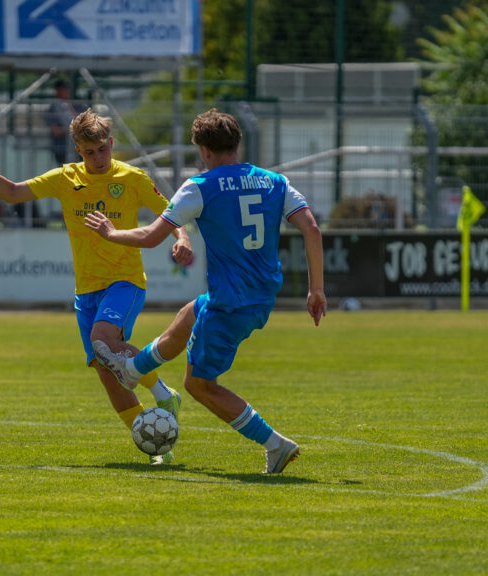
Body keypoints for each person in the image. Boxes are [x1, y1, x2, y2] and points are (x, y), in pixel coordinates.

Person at [85, 108, 326, 475]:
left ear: (204, 150)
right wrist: (316, 289)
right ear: (237, 143)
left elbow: (151, 237)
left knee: (199, 384)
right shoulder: (274, 181)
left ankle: (275, 444)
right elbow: (311, 228)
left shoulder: (201, 187)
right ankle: (133, 369)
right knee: (192, 313)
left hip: (231, 304)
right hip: (260, 298)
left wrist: (110, 233)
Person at [0, 108, 194, 465]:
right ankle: (158, 448)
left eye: (102, 149)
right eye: (89, 152)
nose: (97, 158)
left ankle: (163, 393)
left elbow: (170, 213)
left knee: (103, 340)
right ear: (77, 151)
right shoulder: (65, 179)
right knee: (106, 370)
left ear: (111, 144)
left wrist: (183, 238)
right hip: (86, 290)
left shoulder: (132, 178)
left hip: (125, 281)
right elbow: (12, 192)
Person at [45, 78, 86, 167]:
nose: (65, 91)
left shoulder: (76, 105)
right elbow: (56, 132)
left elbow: (84, 125)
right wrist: (74, 129)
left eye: (66, 89)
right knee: (64, 173)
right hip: (61, 148)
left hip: (79, 147)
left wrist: (69, 107)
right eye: (62, 89)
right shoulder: (52, 108)